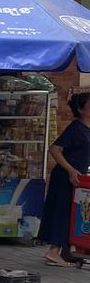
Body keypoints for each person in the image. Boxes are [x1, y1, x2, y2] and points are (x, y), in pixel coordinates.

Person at [38, 90, 90, 266]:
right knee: (63, 211)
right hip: (65, 176)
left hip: (78, 177)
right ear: (81, 109)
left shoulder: (87, 129)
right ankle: (53, 251)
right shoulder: (76, 128)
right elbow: (54, 149)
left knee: (74, 214)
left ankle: (66, 251)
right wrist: (70, 170)